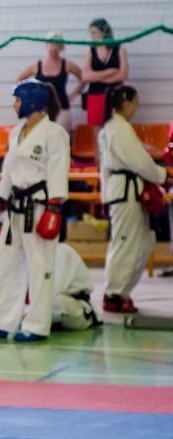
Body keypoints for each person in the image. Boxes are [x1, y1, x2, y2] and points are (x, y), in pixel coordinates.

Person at [0, 80, 70, 342]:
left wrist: (55, 208)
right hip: (15, 208)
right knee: (4, 263)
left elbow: (59, 171)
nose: (14, 105)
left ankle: (36, 325)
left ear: (32, 102)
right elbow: (9, 171)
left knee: (40, 267)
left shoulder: (55, 133)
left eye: (17, 99)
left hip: (40, 206)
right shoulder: (16, 132)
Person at [98, 84, 171, 313]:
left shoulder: (115, 128)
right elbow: (138, 161)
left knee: (143, 241)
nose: (136, 108)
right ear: (126, 102)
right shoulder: (118, 129)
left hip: (126, 191)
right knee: (125, 243)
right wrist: (163, 175)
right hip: (125, 192)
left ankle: (122, 291)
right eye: (135, 103)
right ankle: (114, 293)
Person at [15, 32, 86, 131]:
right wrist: (30, 97)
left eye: (57, 45)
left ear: (62, 48)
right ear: (46, 45)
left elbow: (84, 78)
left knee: (61, 138)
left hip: (62, 108)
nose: (54, 47)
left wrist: (74, 94)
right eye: (51, 44)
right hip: (42, 110)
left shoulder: (67, 64)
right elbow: (18, 80)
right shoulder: (36, 66)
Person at [82, 18, 129, 127]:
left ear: (104, 32)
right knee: (95, 127)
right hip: (95, 94)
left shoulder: (119, 49)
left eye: (94, 33)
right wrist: (109, 72)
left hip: (115, 95)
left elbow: (123, 74)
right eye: (91, 33)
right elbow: (85, 76)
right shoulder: (91, 51)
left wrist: (96, 77)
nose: (92, 36)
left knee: (116, 126)